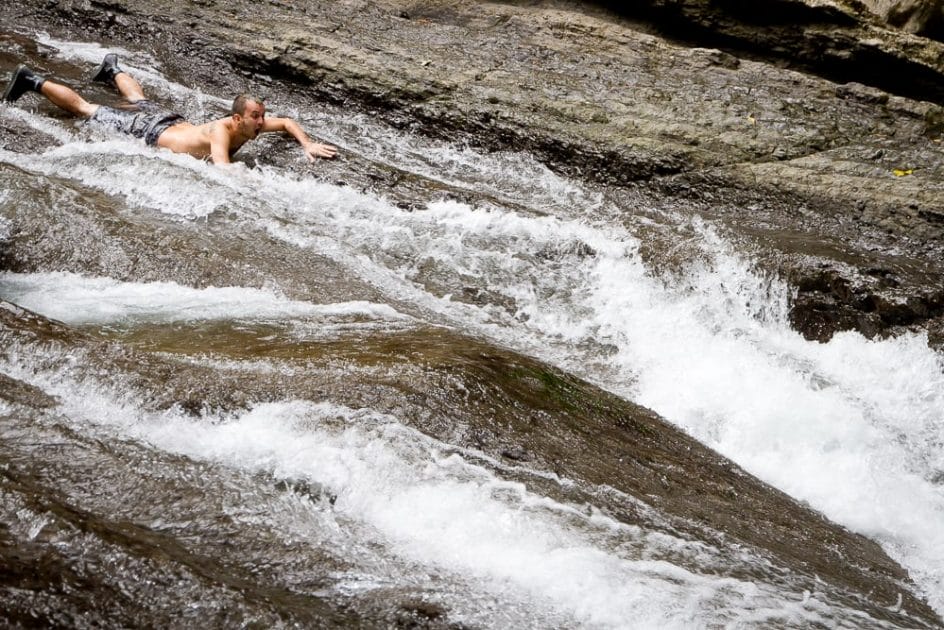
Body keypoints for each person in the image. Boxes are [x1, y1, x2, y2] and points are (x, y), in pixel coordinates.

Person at [2, 54, 338, 165]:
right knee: (87, 110)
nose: (263, 122)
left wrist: (306, 143)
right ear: (238, 118)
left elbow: (289, 123)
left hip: (170, 122)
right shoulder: (223, 130)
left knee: (140, 101)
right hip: (151, 132)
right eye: (256, 117)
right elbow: (223, 168)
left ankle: (112, 70)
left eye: (262, 116)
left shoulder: (254, 125)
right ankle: (30, 80)